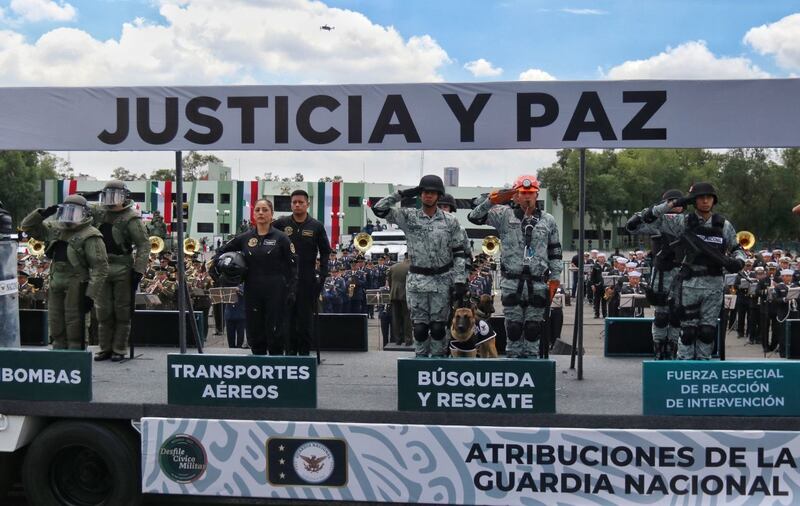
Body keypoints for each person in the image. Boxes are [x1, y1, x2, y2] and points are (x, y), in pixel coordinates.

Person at [638, 182, 746, 360]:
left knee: (707, 331)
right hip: (690, 284)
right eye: (701, 198)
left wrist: (739, 261)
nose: (705, 201)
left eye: (709, 197)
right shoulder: (682, 221)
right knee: (687, 332)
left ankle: (702, 368)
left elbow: (737, 248)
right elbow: (648, 218)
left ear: (714, 200)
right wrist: (673, 204)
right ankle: (684, 368)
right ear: (694, 201)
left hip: (714, 284)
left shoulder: (723, 225)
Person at [468, 174, 563, 358]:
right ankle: (514, 363)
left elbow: (555, 251)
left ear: (537, 195)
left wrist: (556, 277)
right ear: (516, 195)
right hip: (512, 281)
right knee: (513, 327)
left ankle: (532, 365)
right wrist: (491, 200)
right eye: (522, 193)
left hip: (537, 283)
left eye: (531, 193)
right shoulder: (504, 215)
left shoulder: (548, 220)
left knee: (533, 328)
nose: (527, 196)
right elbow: (474, 216)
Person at [373, 176, 468, 357]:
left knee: (439, 328)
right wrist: (401, 194)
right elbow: (379, 209)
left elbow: (459, 253)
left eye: (432, 193)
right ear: (420, 194)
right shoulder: (409, 217)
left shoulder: (450, 221)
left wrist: (459, 280)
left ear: (438, 196)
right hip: (418, 280)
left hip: (442, 280)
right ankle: (421, 364)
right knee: (420, 329)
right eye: (425, 192)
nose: (428, 196)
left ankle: (439, 362)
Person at [20, 195, 109, 350]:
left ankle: (76, 361)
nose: (70, 216)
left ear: (85, 214)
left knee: (75, 325)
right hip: (56, 280)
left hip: (77, 282)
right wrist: (41, 214)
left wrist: (90, 295)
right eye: (67, 211)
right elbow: (26, 227)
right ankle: (58, 359)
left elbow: (100, 268)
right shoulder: (55, 228)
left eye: (74, 212)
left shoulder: (91, 234)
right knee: (55, 323)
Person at [214, 199, 297, 355]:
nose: (261, 213)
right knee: (254, 328)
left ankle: (276, 362)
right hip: (252, 289)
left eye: (265, 210)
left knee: (275, 329)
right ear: (253, 214)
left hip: (276, 290)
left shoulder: (281, 238)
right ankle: (258, 360)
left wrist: (292, 290)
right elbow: (221, 252)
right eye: (257, 210)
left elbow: (293, 266)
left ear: (271, 214)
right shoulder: (245, 238)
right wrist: (220, 270)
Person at [90, 180, 150, 362]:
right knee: (103, 311)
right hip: (101, 266)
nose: (111, 199)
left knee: (122, 311)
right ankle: (105, 348)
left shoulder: (131, 218)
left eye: (115, 195)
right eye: (108, 194)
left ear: (124, 197)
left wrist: (138, 270)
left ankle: (119, 348)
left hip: (122, 266)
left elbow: (143, 244)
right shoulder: (99, 214)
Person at [626, 189, 685, 359]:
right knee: (661, 316)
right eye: (671, 202)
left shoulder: (689, 221)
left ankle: (673, 349)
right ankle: (659, 350)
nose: (675, 206)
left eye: (678, 202)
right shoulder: (656, 222)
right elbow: (632, 226)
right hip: (661, 274)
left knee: (676, 316)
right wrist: (656, 210)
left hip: (682, 274)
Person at [273, 190, 331, 355]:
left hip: (307, 279)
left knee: (304, 319)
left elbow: (325, 251)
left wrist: (323, 273)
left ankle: (304, 354)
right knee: (287, 318)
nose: (297, 205)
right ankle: (290, 353)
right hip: (285, 279)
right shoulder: (281, 224)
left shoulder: (316, 226)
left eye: (300, 202)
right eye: (294, 202)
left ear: (307, 204)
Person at [388, 253, 412, 345]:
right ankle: (408, 340)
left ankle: (397, 339)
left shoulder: (393, 267)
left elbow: (390, 282)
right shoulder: (411, 267)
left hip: (394, 294)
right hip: (406, 295)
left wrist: (392, 291)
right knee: (407, 318)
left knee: (396, 318)